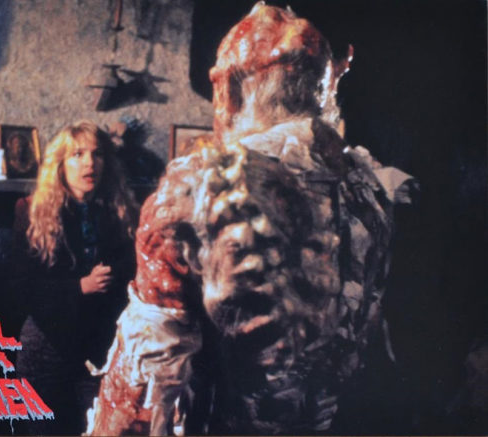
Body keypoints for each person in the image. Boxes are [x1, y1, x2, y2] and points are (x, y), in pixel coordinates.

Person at [86, 3, 415, 436]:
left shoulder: (193, 189)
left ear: (229, 91)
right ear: (326, 86)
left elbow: (146, 380)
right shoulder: (370, 189)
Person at [11, 120, 138, 435]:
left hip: (99, 349)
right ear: (60, 164)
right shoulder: (31, 211)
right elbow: (22, 288)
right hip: (47, 347)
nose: (89, 163)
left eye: (97, 154)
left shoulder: (119, 211)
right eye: (77, 154)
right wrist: (81, 287)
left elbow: (132, 272)